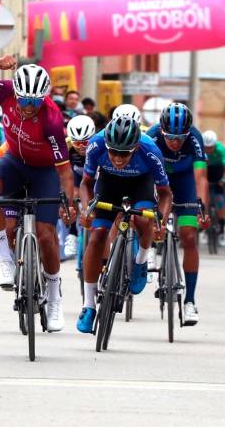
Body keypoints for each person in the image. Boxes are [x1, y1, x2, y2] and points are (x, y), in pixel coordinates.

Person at [0, 58, 75, 333]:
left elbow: (66, 172)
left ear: (43, 98)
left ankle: (55, 298)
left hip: (44, 172)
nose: (28, 107)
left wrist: (67, 203)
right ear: (16, 93)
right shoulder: (5, 90)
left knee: (46, 236)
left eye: (34, 102)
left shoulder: (52, 120)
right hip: (13, 161)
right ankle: (6, 262)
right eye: (24, 101)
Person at [77, 116, 172, 333]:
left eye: (124, 154)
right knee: (97, 236)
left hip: (141, 183)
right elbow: (86, 183)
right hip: (109, 183)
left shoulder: (150, 150)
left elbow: (166, 195)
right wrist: (86, 209)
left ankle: (140, 261)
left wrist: (162, 221)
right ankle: (89, 305)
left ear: (135, 147)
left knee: (143, 218)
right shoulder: (96, 145)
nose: (118, 158)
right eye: (113, 152)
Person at [147, 102, 208, 325]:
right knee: (149, 220)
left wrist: (201, 206)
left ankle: (190, 302)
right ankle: (150, 250)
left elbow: (200, 176)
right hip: (157, 180)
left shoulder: (194, 138)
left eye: (179, 138)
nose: (174, 142)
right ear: (162, 131)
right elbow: (142, 172)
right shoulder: (152, 136)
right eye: (170, 137)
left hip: (184, 183)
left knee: (189, 236)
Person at [64, 115, 96, 257]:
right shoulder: (65, 146)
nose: (82, 147)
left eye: (85, 142)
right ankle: (72, 234)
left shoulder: (100, 144)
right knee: (74, 194)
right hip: (76, 176)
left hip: (96, 177)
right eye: (77, 144)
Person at [203, 130, 225, 246]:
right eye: (206, 147)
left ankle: (222, 232)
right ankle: (205, 229)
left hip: (218, 173)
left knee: (220, 202)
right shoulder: (201, 149)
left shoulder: (220, 150)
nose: (208, 150)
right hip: (206, 172)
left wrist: (224, 179)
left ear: (214, 144)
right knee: (205, 202)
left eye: (211, 147)